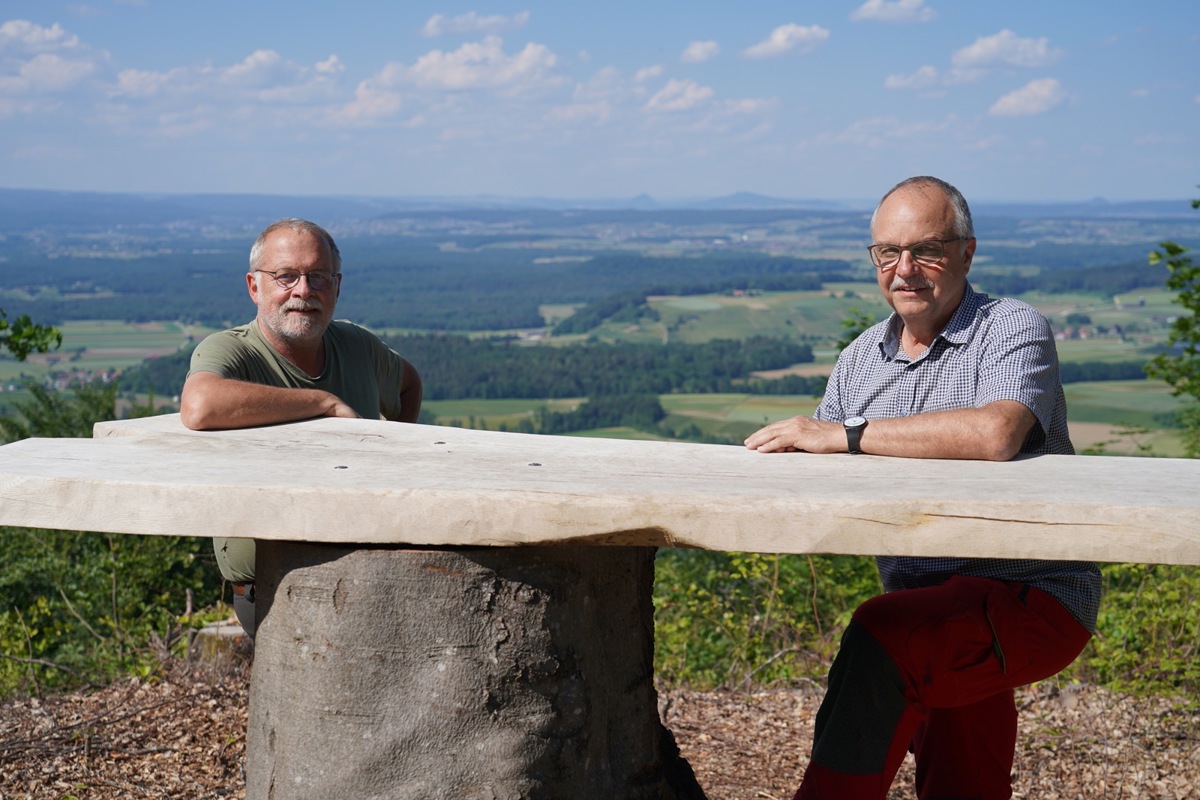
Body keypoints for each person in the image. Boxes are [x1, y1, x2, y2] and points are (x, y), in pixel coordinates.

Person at [744, 176, 1101, 800]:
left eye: (926, 250)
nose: (903, 269)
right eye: (887, 252)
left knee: (880, 641)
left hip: (1032, 597)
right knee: (965, 773)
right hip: (928, 601)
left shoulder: (1012, 328)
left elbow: (997, 433)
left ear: (967, 252)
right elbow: (817, 462)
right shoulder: (860, 360)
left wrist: (848, 435)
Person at [180, 218, 422, 637]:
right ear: (255, 287)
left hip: (372, 573)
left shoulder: (358, 347)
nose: (304, 291)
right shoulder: (233, 351)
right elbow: (200, 406)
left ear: (338, 286)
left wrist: (393, 460)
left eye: (318, 277)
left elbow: (408, 383)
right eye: (285, 276)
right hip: (274, 587)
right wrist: (323, 403)